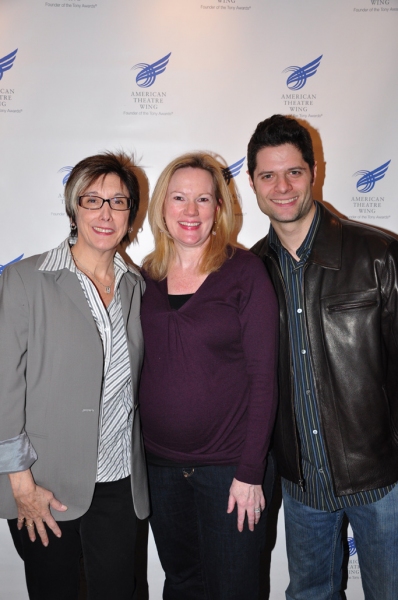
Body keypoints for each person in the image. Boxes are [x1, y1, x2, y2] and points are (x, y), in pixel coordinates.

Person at [248, 114, 398, 600]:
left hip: (382, 483)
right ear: (252, 182)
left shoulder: (379, 255)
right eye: (268, 175)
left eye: (293, 171)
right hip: (301, 486)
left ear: (315, 172)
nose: (282, 186)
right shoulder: (248, 275)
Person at [0, 152, 150, 600]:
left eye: (118, 202)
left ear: (131, 213)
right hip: (45, 487)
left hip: (121, 485)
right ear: (74, 208)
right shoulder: (27, 280)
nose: (105, 214)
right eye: (92, 200)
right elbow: (3, 386)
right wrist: (21, 483)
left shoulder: (136, 284)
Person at [139, 152, 278, 600]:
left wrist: (250, 471)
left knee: (234, 589)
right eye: (179, 198)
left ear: (219, 208)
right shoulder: (145, 278)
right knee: (181, 586)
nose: (191, 210)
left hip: (230, 471)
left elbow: (264, 378)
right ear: (162, 206)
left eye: (203, 199)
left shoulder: (244, 271)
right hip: (161, 469)